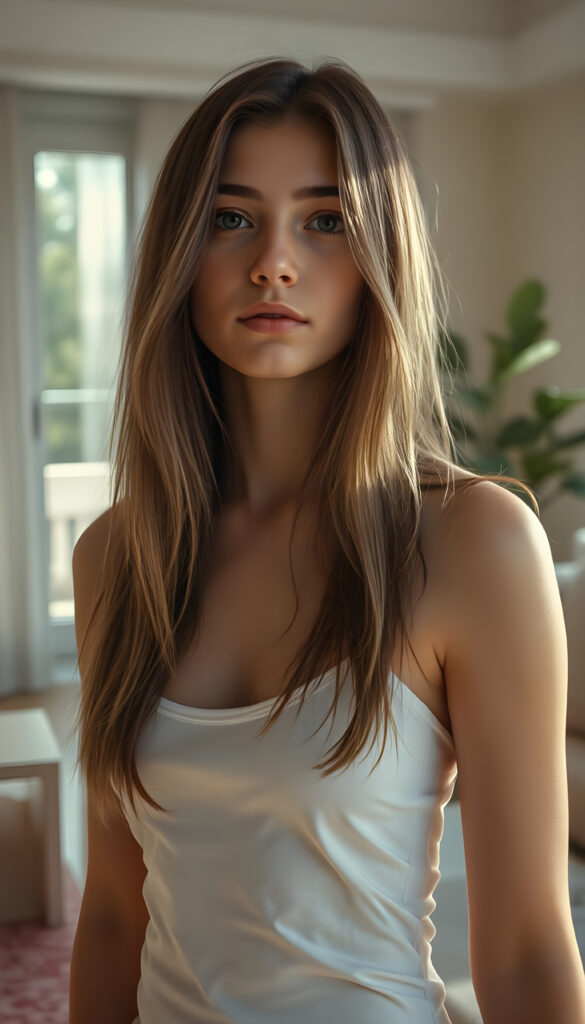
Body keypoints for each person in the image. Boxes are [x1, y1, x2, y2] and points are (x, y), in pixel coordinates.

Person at [68, 56, 585, 1024]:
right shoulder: (115, 557)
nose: (273, 260)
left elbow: (524, 950)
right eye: (230, 218)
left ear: (378, 257)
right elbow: (109, 912)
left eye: (325, 219)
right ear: (178, 252)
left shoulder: (472, 543)